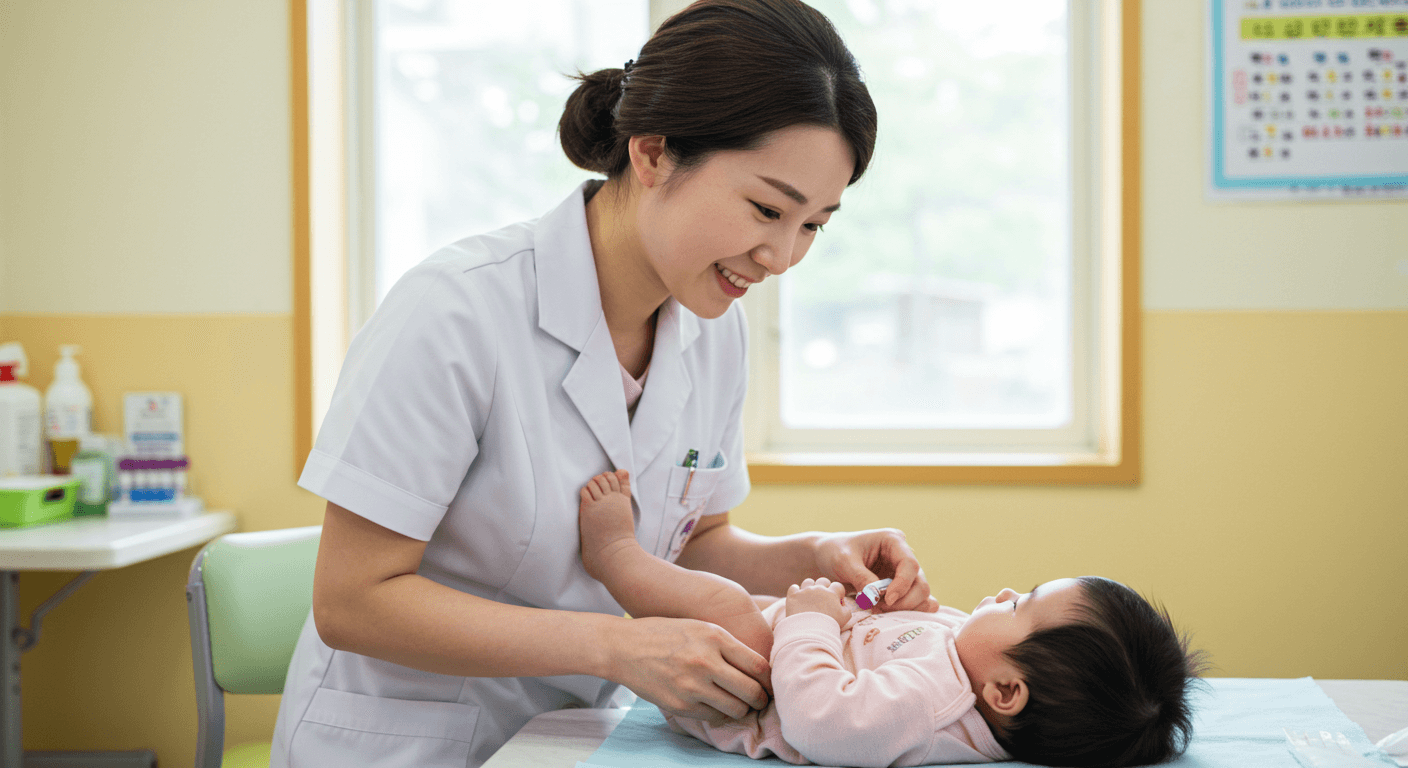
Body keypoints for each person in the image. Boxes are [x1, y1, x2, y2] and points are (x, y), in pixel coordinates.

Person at [268, 2, 947, 766]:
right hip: (406, 742)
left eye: (815, 225)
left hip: (575, 739)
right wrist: (615, 647)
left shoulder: (714, 324)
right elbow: (352, 601)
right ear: (653, 153)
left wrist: (816, 554)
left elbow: (693, 545)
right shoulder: (458, 308)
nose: (784, 256)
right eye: (767, 209)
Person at [580, 469, 1209, 768]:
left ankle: (613, 557)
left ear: (1007, 693)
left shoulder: (930, 704)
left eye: (1020, 606)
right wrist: (878, 606)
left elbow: (824, 721)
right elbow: (903, 644)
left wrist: (808, 623)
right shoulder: (970, 668)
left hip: (733, 688)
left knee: (726, 609)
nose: (1006, 592)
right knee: (736, 607)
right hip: (785, 641)